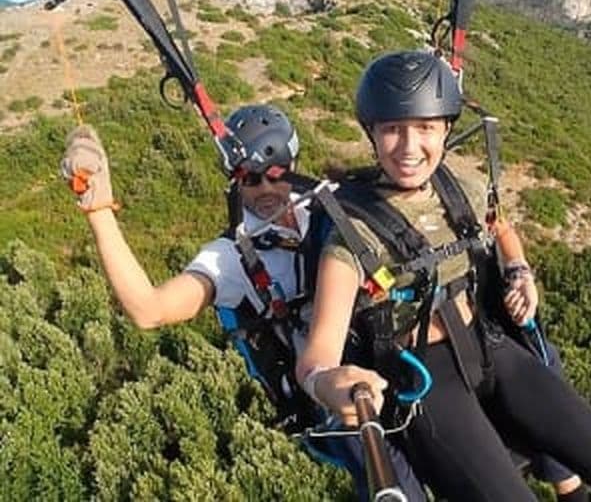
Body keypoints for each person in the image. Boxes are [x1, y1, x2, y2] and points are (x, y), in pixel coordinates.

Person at [296, 50, 591, 501]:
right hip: (425, 377)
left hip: (488, 344)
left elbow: (498, 225)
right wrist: (325, 382)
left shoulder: (458, 186)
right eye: (392, 130)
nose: (408, 147)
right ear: (372, 133)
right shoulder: (352, 232)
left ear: (446, 128)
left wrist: (519, 269)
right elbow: (318, 352)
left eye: (424, 128)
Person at [59, 103, 425, 502]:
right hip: (332, 394)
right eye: (251, 180)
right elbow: (149, 309)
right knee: (395, 487)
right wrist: (99, 211)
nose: (266, 190)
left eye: (275, 175)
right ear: (235, 182)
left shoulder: (330, 207)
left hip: (392, 353)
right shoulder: (232, 256)